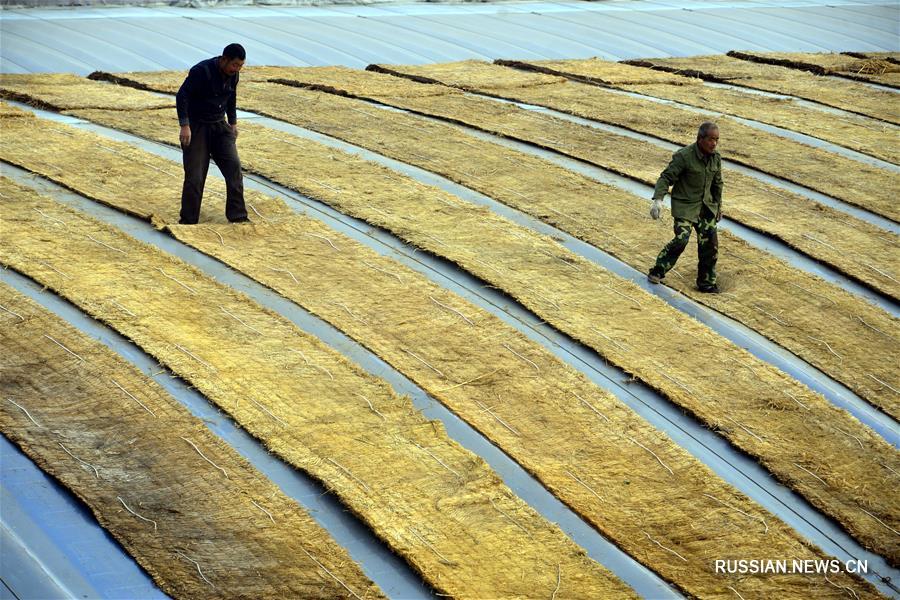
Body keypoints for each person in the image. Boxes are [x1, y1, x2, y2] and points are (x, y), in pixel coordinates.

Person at [176, 43, 249, 225]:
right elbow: (182, 96)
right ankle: (189, 220)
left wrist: (232, 123)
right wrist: (185, 125)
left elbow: (231, 97)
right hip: (197, 126)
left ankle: (238, 216)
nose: (237, 69)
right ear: (224, 59)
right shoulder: (202, 71)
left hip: (219, 125)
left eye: (240, 66)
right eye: (234, 65)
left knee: (234, 169)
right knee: (195, 176)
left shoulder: (234, 75)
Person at [647, 121, 723, 293]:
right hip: (685, 207)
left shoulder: (716, 159)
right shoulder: (684, 156)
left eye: (717, 140)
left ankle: (706, 283)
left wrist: (718, 206)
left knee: (710, 245)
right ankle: (658, 270)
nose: (714, 143)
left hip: (706, 208)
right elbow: (666, 177)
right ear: (700, 139)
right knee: (681, 239)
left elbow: (718, 184)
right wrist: (658, 200)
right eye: (711, 139)